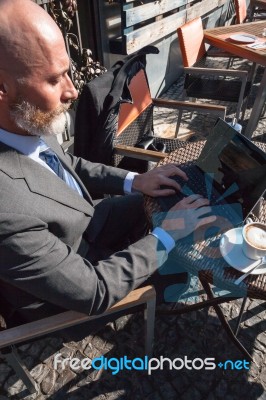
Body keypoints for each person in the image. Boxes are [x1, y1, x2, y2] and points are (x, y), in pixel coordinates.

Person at [0, 0, 216, 328]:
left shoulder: (24, 119)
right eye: (53, 80)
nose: (72, 91)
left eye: (67, 72)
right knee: (176, 260)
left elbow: (65, 163)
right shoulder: (5, 209)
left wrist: (135, 180)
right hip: (72, 299)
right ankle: (167, 293)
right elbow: (95, 291)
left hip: (86, 222)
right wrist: (167, 235)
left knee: (173, 192)